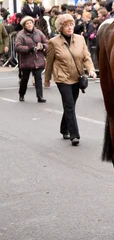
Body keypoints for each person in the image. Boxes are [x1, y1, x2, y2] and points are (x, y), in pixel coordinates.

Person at [44, 14, 96, 146]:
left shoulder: (80, 39)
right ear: (60, 28)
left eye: (71, 24)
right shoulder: (53, 42)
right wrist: (47, 79)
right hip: (62, 78)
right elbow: (49, 62)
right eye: (66, 25)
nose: (69, 28)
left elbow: (86, 57)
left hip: (77, 77)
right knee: (69, 105)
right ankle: (74, 135)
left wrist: (90, 69)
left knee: (70, 105)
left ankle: (64, 128)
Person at [14, 16, 48, 102]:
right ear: (24, 25)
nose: (29, 25)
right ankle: (21, 94)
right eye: (27, 23)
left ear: (33, 23)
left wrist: (43, 46)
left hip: (37, 59)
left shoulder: (39, 32)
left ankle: (40, 96)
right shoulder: (21, 34)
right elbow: (18, 47)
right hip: (26, 60)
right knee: (24, 79)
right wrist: (29, 49)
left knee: (38, 78)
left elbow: (46, 42)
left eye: (30, 23)